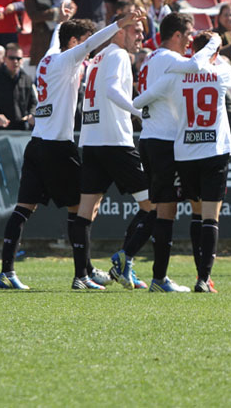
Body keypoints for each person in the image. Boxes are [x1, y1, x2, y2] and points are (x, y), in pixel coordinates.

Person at [0, 10, 142, 291]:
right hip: (58, 148)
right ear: (74, 42)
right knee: (82, 209)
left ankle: (7, 272)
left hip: (36, 144)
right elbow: (88, 45)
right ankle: (82, 275)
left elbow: (57, 37)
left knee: (23, 210)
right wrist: (117, 25)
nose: (87, 52)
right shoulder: (66, 60)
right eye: (83, 42)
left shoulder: (48, 57)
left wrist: (62, 18)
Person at [133, 32, 231, 292]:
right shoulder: (221, 72)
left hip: (186, 153)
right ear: (213, 53)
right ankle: (203, 279)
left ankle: (192, 275)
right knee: (210, 219)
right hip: (214, 151)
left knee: (196, 212)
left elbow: (138, 101)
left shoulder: (175, 75)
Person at [73, 16, 154, 291]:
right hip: (115, 142)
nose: (141, 36)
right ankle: (124, 262)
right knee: (153, 206)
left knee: (86, 212)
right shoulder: (119, 55)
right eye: (137, 30)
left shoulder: (98, 56)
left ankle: (81, 275)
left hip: (93, 140)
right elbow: (111, 90)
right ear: (120, 32)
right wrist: (138, 112)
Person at [0, 43, 36, 130]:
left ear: (22, 61)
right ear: (4, 59)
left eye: (18, 59)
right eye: (11, 58)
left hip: (21, 130)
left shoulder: (27, 79)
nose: (15, 61)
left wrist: (32, 114)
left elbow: (33, 102)